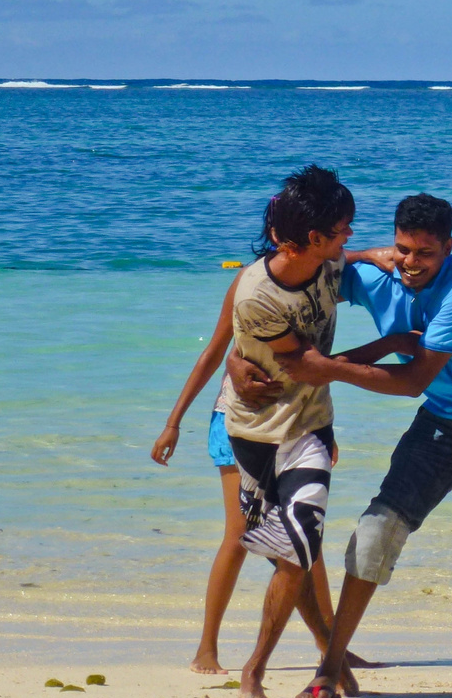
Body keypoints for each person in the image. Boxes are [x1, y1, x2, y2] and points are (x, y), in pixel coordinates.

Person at [228, 193, 452, 698]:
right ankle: (329, 669)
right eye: (403, 249)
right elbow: (291, 279)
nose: (412, 263)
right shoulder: (381, 274)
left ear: (448, 247)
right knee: (376, 530)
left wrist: (326, 367)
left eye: (426, 253)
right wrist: (234, 358)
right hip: (443, 420)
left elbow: (413, 379)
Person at [217, 164, 410, 698]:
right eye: (341, 228)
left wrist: (374, 254)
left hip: (309, 428)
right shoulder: (258, 295)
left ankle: (260, 668)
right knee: (292, 554)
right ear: (307, 240)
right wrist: (395, 343)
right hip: (256, 432)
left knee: (299, 545)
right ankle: (325, 655)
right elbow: (310, 366)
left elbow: (348, 261)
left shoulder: (323, 260)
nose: (348, 234)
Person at [150, 275, 368, 677]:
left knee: (306, 538)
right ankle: (206, 648)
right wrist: (173, 422)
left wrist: (323, 431)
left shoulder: (319, 275)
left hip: (296, 424)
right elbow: (217, 352)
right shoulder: (252, 286)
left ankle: (330, 646)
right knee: (238, 534)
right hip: (239, 424)